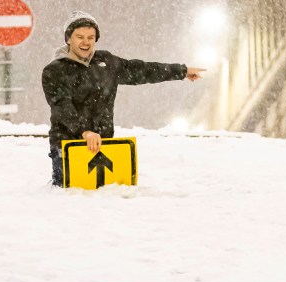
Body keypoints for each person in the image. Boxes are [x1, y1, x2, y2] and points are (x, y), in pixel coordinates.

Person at [41, 11, 205, 186]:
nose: (85, 42)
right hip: (67, 146)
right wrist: (84, 132)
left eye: (91, 37)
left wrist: (182, 71)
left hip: (104, 145)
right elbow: (61, 106)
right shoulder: (55, 71)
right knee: (69, 199)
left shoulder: (106, 63)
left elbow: (142, 70)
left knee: (107, 201)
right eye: (79, 37)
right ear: (68, 39)